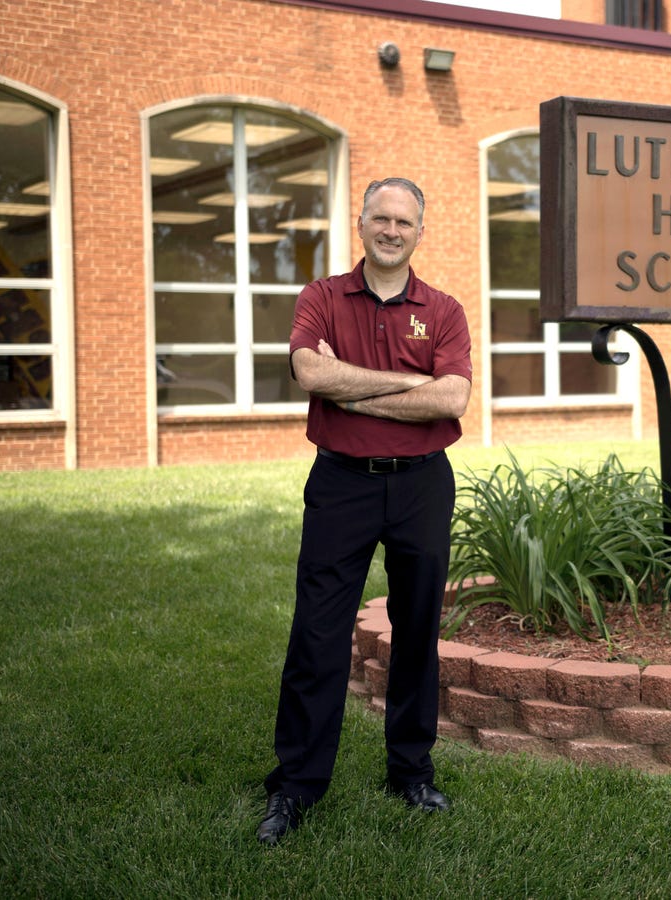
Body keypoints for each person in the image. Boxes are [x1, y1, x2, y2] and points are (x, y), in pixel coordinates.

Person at [257, 177, 472, 845]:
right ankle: (297, 786)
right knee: (318, 635)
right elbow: (312, 374)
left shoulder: (443, 309)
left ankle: (410, 771)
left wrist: (353, 390)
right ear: (361, 223)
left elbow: (453, 399)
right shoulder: (322, 297)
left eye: (403, 221)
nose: (391, 229)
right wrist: (411, 382)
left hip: (421, 486)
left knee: (417, 632)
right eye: (380, 217)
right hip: (342, 484)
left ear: (419, 231)